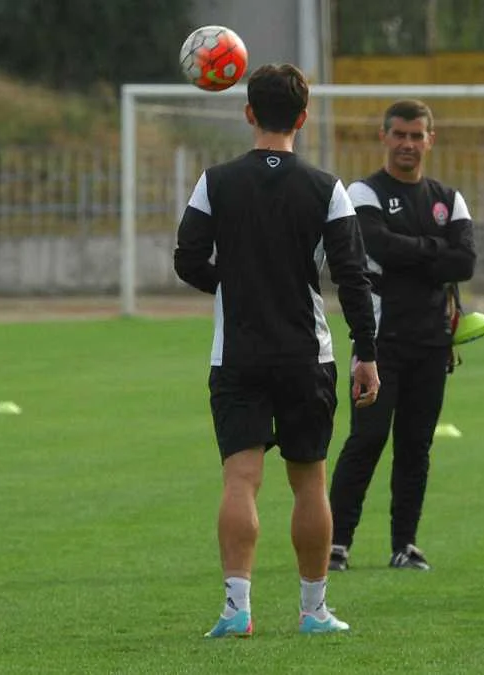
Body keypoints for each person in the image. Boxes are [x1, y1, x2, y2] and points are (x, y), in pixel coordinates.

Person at [173, 63, 381, 637]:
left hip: (238, 354)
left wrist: (234, 285)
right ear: (303, 118)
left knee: (240, 480)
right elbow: (353, 276)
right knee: (309, 481)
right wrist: (366, 353)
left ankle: (236, 609)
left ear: (249, 113)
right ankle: (314, 611)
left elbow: (187, 259)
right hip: (306, 356)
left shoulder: (215, 181)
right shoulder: (327, 187)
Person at [328, 100, 476, 573]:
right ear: (384, 137)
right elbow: (378, 246)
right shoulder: (364, 191)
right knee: (367, 439)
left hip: (432, 342)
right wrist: (436, 251)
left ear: (430, 139)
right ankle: (336, 544)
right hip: (378, 342)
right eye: (399, 135)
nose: (407, 144)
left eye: (416, 136)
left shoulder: (448, 198)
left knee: (416, 446)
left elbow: (465, 262)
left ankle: (404, 544)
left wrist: (414, 254)